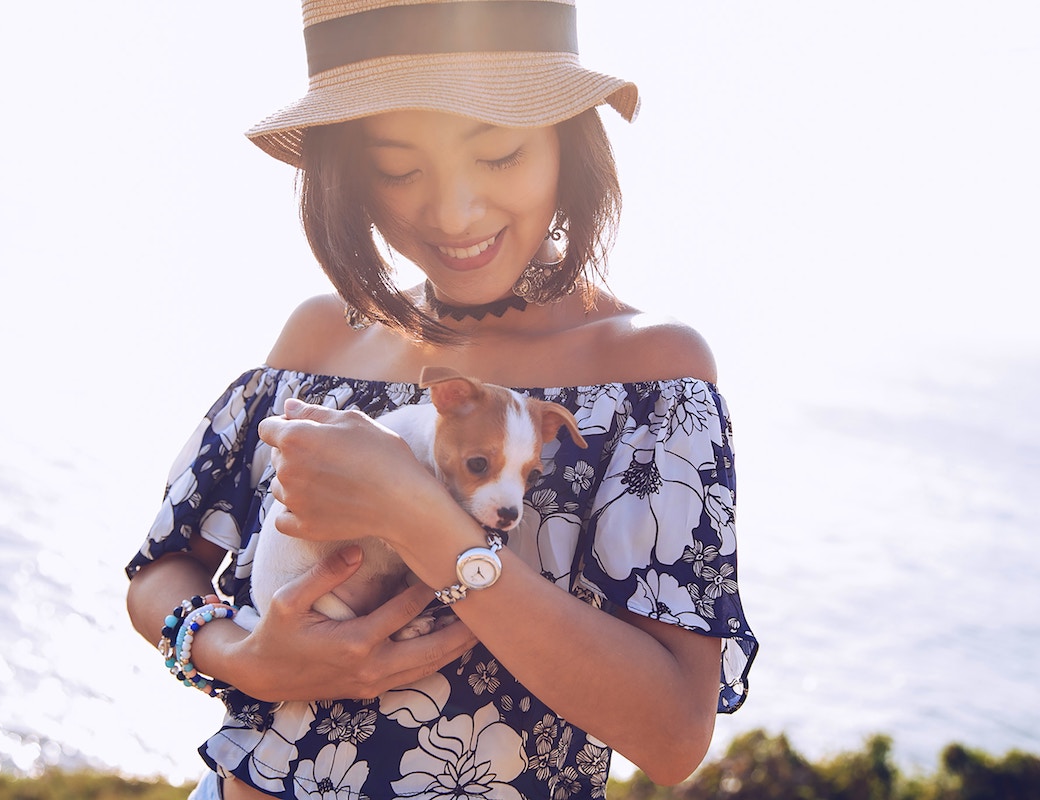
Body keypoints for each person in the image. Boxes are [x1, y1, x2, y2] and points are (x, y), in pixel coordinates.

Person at [126, 2, 758, 798]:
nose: (454, 214)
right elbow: (162, 570)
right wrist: (237, 656)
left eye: (498, 153)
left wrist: (418, 516)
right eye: (397, 168)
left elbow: (670, 738)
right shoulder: (319, 340)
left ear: (567, 138)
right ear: (348, 171)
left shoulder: (649, 377)